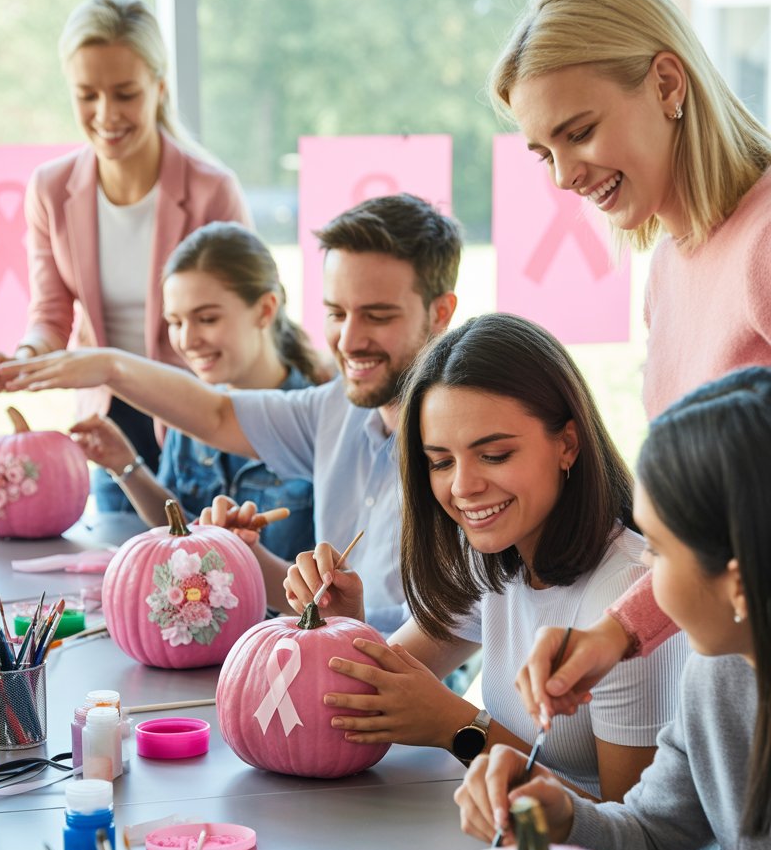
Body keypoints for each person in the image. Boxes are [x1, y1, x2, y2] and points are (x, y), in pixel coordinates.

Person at [486, 0, 771, 724]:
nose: (566, 176)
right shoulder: (671, 266)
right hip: (735, 683)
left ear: (668, 82)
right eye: (544, 153)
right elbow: (700, 524)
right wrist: (613, 635)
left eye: (578, 132)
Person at [455, 366, 771, 850]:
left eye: (657, 552)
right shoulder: (716, 678)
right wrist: (565, 816)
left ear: (736, 580)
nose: (642, 587)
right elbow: (660, 847)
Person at [0, 193, 462, 626]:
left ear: (441, 312)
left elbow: (435, 643)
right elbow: (215, 413)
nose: (349, 339)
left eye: (378, 316)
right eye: (337, 314)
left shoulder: (463, 451)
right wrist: (108, 367)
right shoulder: (334, 407)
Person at [282, 313, 687, 802]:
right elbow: (380, 687)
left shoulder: (628, 592)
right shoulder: (494, 557)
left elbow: (639, 842)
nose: (462, 487)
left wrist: (461, 728)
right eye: (441, 462)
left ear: (568, 443)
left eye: (493, 455)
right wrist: (344, 628)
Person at [0, 0, 251, 512]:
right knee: (119, 578)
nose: (106, 114)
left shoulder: (214, 190)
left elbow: (249, 334)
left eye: (125, 93)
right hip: (109, 429)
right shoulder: (51, 189)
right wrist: (24, 360)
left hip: (199, 427)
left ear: (160, 87)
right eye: (87, 95)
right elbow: (51, 314)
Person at [70, 222, 323, 568]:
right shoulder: (187, 406)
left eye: (206, 319)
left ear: (265, 309)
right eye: (175, 322)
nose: (187, 340)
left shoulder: (315, 418)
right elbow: (179, 526)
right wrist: (125, 465)